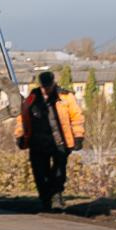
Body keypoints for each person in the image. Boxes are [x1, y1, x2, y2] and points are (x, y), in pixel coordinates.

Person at [16, 70, 84, 211]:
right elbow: (22, 117)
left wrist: (78, 136)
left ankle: (57, 197)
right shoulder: (32, 97)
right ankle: (45, 199)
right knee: (40, 173)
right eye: (43, 86)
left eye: (48, 86)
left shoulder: (66, 97)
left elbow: (76, 117)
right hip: (37, 142)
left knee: (59, 172)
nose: (45, 89)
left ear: (53, 83)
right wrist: (20, 135)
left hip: (60, 142)